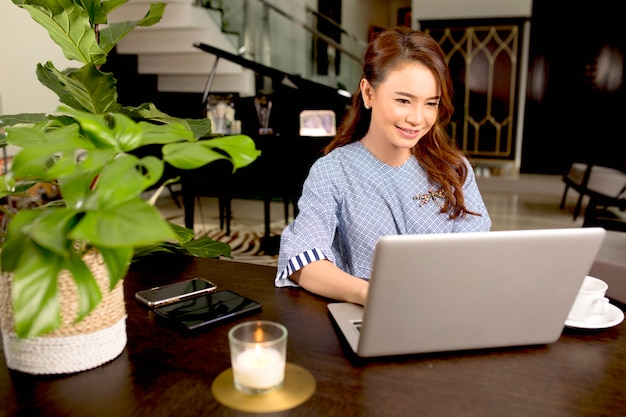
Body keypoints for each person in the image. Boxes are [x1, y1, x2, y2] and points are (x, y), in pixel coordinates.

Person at [274, 26, 491, 305]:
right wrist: (373, 296)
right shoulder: (333, 171)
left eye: (430, 104)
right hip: (369, 314)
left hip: (448, 308)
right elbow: (303, 260)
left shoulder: (455, 169)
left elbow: (476, 253)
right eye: (403, 100)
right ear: (368, 93)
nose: (417, 118)